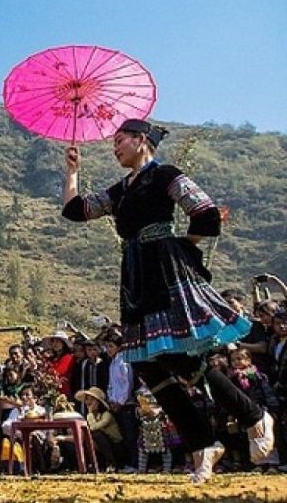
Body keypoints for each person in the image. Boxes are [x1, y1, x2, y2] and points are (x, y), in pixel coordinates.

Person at [62, 118, 274, 483]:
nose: (115, 148)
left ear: (141, 140)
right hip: (134, 275)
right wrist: (72, 173)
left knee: (178, 356)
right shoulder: (121, 189)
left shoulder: (165, 174)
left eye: (120, 140)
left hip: (164, 270)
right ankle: (203, 445)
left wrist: (181, 247)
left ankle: (254, 416)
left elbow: (205, 212)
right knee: (145, 362)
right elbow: (76, 211)